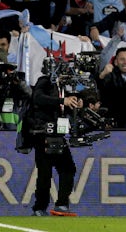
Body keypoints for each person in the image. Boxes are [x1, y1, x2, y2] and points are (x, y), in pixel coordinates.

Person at [27, 69, 82, 216]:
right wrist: (62, 101)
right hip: (42, 133)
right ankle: (39, 208)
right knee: (45, 173)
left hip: (58, 133)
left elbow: (62, 109)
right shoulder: (45, 81)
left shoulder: (63, 88)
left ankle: (62, 204)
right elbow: (37, 98)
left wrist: (76, 103)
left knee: (68, 168)